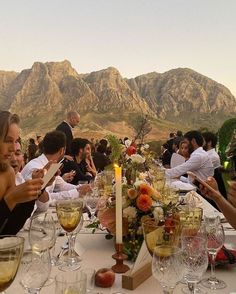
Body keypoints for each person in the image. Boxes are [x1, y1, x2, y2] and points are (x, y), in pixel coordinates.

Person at [0, 111, 44, 235]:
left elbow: (9, 230)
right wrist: (10, 199)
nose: (13, 148)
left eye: (15, 141)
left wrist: (33, 192)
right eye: (8, 140)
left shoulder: (7, 173)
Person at [22, 131, 89, 203]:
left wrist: (84, 188)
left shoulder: (51, 165)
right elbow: (42, 200)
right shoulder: (36, 169)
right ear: (62, 150)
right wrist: (77, 192)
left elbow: (62, 186)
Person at [10, 140, 49, 212]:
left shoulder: (19, 177)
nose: (14, 159)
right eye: (8, 154)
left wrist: (40, 185)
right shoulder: (34, 167)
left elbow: (43, 207)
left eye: (17, 153)